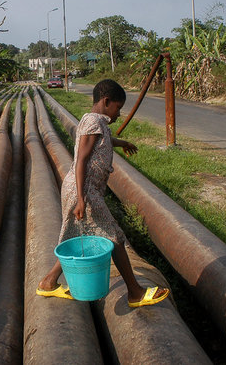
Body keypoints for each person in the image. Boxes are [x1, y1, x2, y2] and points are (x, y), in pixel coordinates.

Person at [36, 79, 170, 307]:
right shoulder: (92, 122)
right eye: (118, 107)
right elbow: (80, 162)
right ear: (106, 102)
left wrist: (121, 142)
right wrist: (81, 199)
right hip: (85, 190)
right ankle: (135, 293)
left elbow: (103, 139)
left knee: (75, 235)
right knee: (114, 237)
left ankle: (48, 282)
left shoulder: (98, 123)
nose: (119, 113)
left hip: (85, 190)